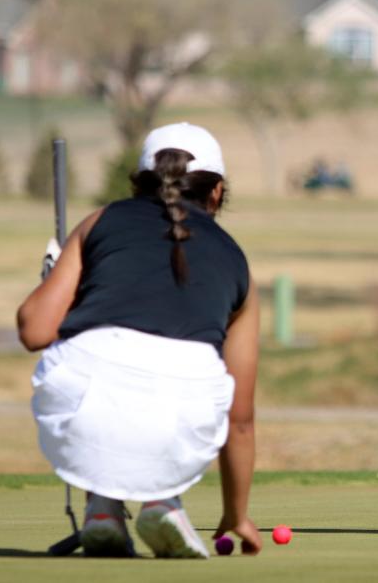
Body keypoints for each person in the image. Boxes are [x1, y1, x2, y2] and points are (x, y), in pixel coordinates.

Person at [17, 123, 263, 558]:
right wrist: (236, 514)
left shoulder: (99, 221)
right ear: (217, 192)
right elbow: (240, 419)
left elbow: (35, 330)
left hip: (82, 407)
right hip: (183, 417)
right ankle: (162, 499)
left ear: (138, 182)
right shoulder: (237, 260)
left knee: (94, 358)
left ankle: (104, 507)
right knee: (177, 388)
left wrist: (57, 280)